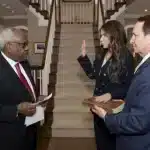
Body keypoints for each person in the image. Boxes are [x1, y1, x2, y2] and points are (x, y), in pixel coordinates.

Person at [92, 15, 150, 150]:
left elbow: (140, 121)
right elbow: (94, 74)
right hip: (107, 114)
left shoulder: (130, 60)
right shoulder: (102, 54)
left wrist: (107, 115)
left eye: (135, 35)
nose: (131, 40)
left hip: (117, 118)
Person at [77, 20, 134, 150]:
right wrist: (84, 57)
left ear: (113, 36)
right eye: (100, 35)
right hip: (98, 109)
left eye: (103, 35)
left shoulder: (126, 57)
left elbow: (129, 87)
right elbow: (93, 75)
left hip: (114, 112)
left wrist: (110, 94)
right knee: (101, 144)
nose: (100, 39)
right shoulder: (101, 54)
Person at [0, 27, 37, 150]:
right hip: (8, 137)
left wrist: (37, 100)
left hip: (30, 130)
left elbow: (27, 90)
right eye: (23, 44)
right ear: (9, 46)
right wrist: (16, 110)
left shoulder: (25, 64)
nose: (27, 48)